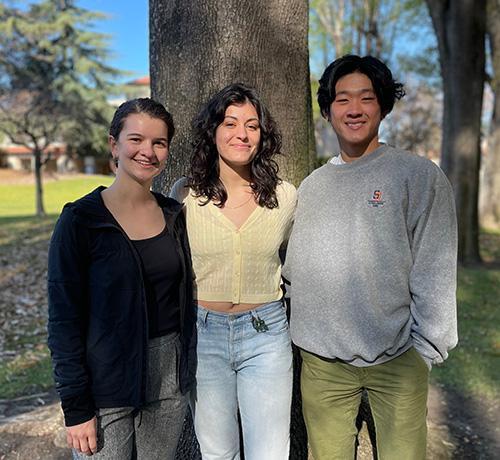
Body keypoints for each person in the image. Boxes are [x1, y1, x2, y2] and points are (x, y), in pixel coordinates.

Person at [283, 55, 458, 460]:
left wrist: (426, 349)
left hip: (399, 359)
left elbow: (436, 264)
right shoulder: (312, 187)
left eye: (366, 98)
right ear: (327, 110)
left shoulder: (417, 176)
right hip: (323, 364)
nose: (355, 109)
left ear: (382, 106)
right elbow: (296, 269)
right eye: (342, 99)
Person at [47, 98, 195, 459]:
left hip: (167, 380)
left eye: (158, 143)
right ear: (114, 144)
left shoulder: (174, 215)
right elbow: (64, 320)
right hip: (104, 384)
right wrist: (76, 407)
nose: (148, 151)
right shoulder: (80, 221)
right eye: (136, 140)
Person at [170, 83, 296, 460]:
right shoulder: (184, 194)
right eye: (230, 123)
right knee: (217, 453)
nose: (241, 133)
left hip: (267, 334)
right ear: (213, 131)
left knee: (270, 454)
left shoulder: (286, 196)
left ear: (262, 135)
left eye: (252, 125)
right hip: (202, 333)